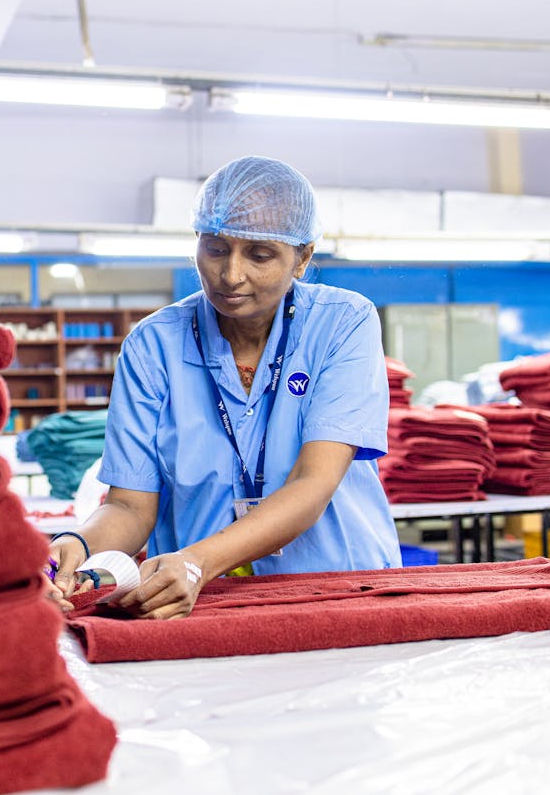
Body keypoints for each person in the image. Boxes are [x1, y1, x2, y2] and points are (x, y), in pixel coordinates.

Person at [48, 155, 400, 620]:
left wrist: (198, 562)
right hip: (197, 604)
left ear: (303, 258)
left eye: (259, 255)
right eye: (215, 249)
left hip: (338, 591)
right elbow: (131, 507)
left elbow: (312, 483)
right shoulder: (154, 346)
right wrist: (75, 543)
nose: (231, 275)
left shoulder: (343, 323)